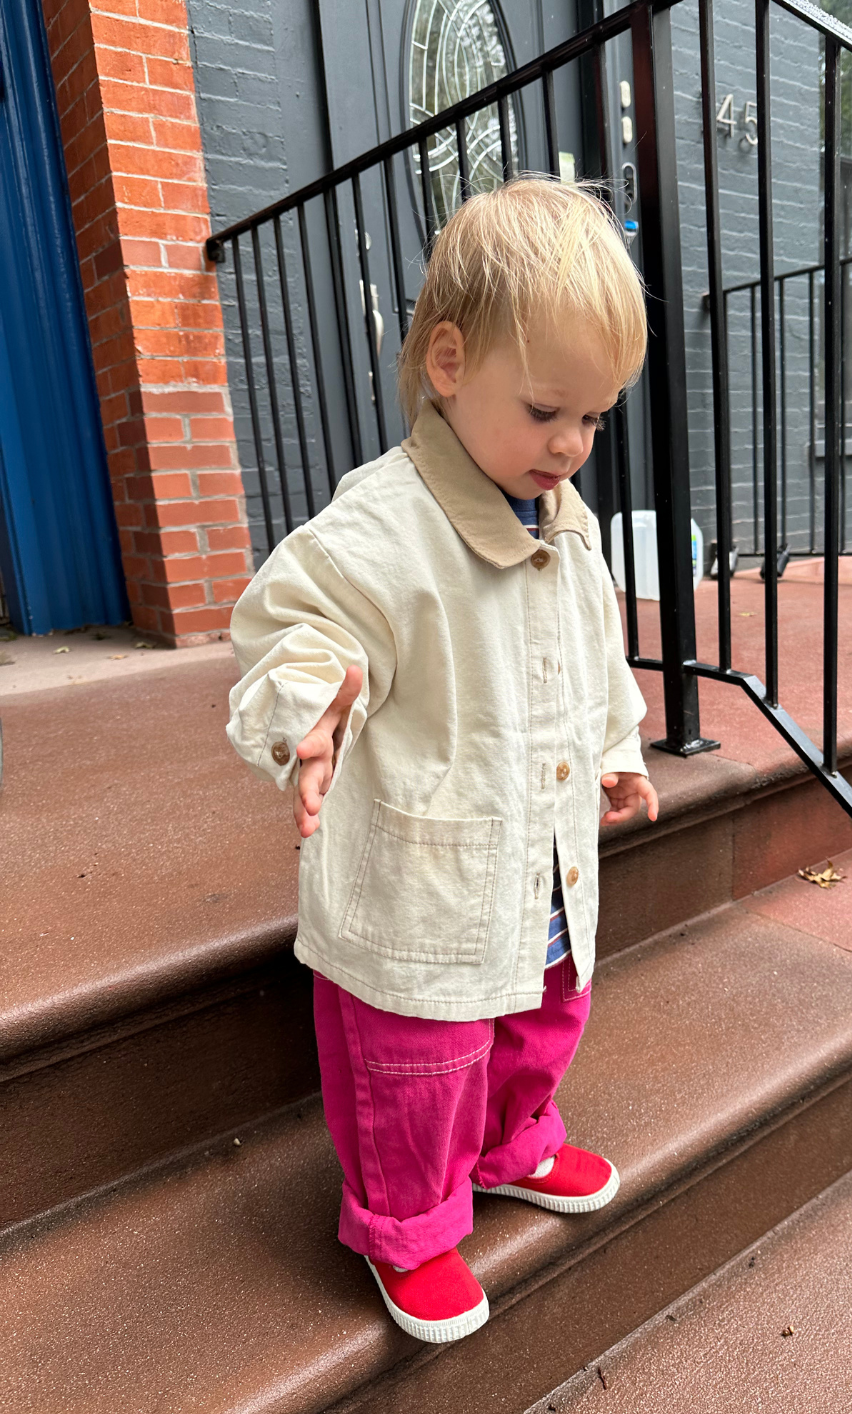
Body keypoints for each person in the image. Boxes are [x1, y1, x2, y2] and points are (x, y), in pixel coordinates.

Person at [226, 175, 659, 1345]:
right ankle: (409, 1222)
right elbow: (296, 623)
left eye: (595, 419)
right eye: (546, 410)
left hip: (544, 862)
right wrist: (307, 708)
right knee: (418, 1060)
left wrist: (616, 745)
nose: (570, 446)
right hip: (428, 878)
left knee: (540, 1018)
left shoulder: (561, 524)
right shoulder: (385, 522)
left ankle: (514, 1145)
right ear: (451, 363)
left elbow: (592, 656)